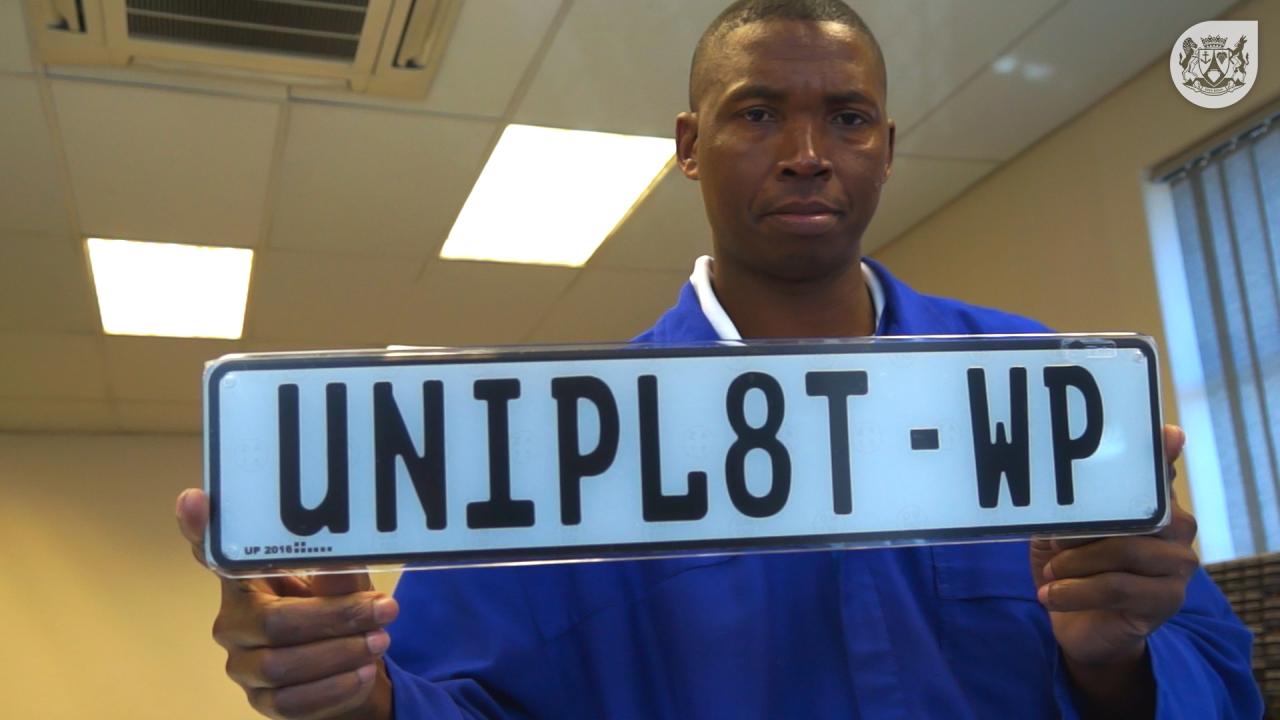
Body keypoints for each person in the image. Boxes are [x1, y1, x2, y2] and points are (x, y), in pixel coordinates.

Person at [176, 1, 1262, 717]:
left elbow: (1219, 684)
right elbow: (438, 697)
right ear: (689, 146)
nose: (805, 155)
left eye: (845, 118)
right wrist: (345, 688)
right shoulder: (541, 442)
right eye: (757, 115)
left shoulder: (1034, 393)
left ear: (885, 149)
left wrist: (1111, 661)